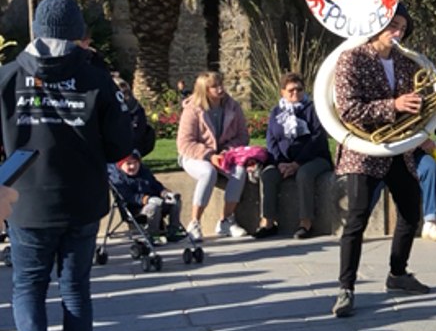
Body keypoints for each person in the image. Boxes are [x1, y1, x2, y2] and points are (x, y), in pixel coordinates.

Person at [0, 0, 133, 331]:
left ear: (37, 31)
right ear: (78, 35)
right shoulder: (95, 78)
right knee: (75, 289)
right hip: (81, 201)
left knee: (28, 286)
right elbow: (119, 146)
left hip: (25, 199)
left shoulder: (6, 77)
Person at [331, 6, 432, 317]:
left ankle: (397, 273)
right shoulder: (352, 58)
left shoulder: (406, 62)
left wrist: (425, 126)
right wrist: (394, 105)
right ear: (376, 26)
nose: (397, 33)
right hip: (364, 149)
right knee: (357, 219)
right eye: (392, 26)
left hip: (397, 149)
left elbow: (420, 102)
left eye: (401, 27)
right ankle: (345, 288)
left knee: (411, 211)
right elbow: (348, 109)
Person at [255, 73, 333, 240]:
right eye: (291, 90)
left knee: (304, 175)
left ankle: (306, 223)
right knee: (268, 175)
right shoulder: (276, 112)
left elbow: (316, 139)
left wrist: (297, 164)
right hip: (284, 161)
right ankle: (268, 222)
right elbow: (271, 140)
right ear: (282, 92)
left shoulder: (313, 109)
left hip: (314, 159)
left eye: (299, 89)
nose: (295, 93)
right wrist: (281, 163)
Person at [176, 71, 250, 242]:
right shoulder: (192, 109)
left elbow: (242, 136)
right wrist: (209, 155)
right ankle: (195, 222)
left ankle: (226, 220)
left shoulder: (232, 106)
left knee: (239, 171)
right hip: (195, 156)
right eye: (214, 86)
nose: (220, 89)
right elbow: (185, 143)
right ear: (204, 90)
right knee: (208, 173)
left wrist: (227, 151)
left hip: (224, 154)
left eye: (221, 84)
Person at [107, 151, 183, 242]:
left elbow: (156, 185)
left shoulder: (144, 173)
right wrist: (147, 199)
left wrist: (165, 193)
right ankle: (154, 234)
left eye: (136, 163)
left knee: (176, 202)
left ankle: (174, 229)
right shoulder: (119, 180)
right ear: (121, 165)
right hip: (136, 209)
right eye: (128, 164)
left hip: (157, 202)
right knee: (153, 207)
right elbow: (128, 196)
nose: (133, 166)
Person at [111, 75, 156, 157]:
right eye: (120, 88)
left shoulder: (135, 107)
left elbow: (140, 128)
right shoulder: (110, 106)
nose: (123, 91)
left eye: (124, 88)